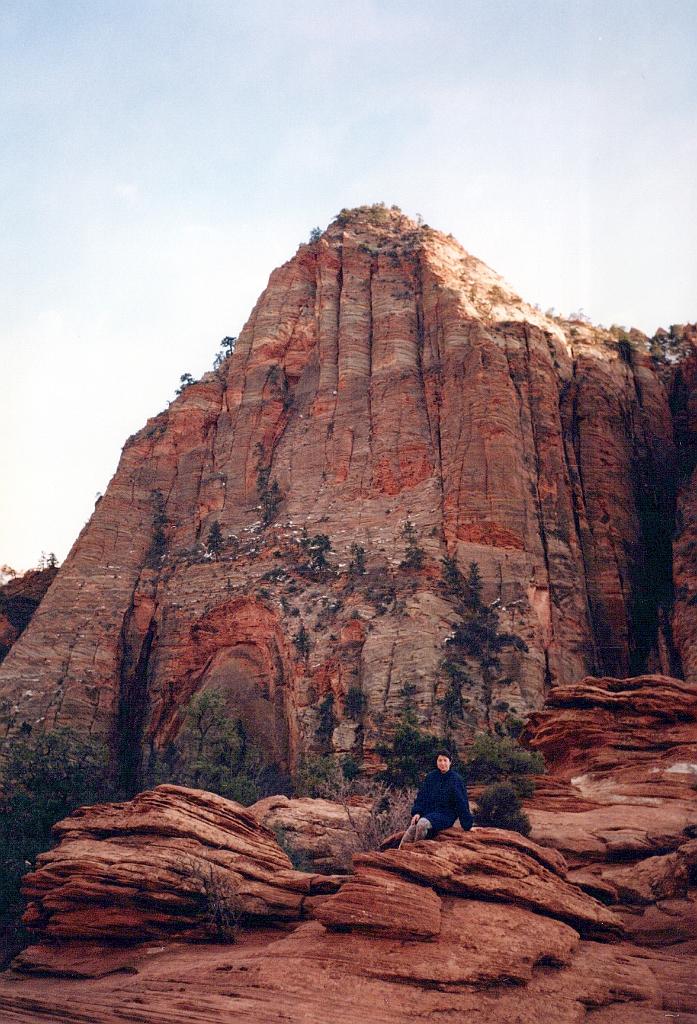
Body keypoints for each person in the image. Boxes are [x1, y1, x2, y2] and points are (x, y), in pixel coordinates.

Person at [399, 750, 473, 847]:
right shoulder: (431, 777)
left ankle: (415, 850)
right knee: (412, 828)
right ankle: (399, 852)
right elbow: (422, 796)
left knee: (422, 824)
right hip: (430, 813)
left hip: (446, 816)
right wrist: (417, 812)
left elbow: (462, 803)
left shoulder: (456, 780)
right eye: (440, 760)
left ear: (450, 762)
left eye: (445, 760)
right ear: (436, 762)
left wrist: (467, 824)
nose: (442, 763)